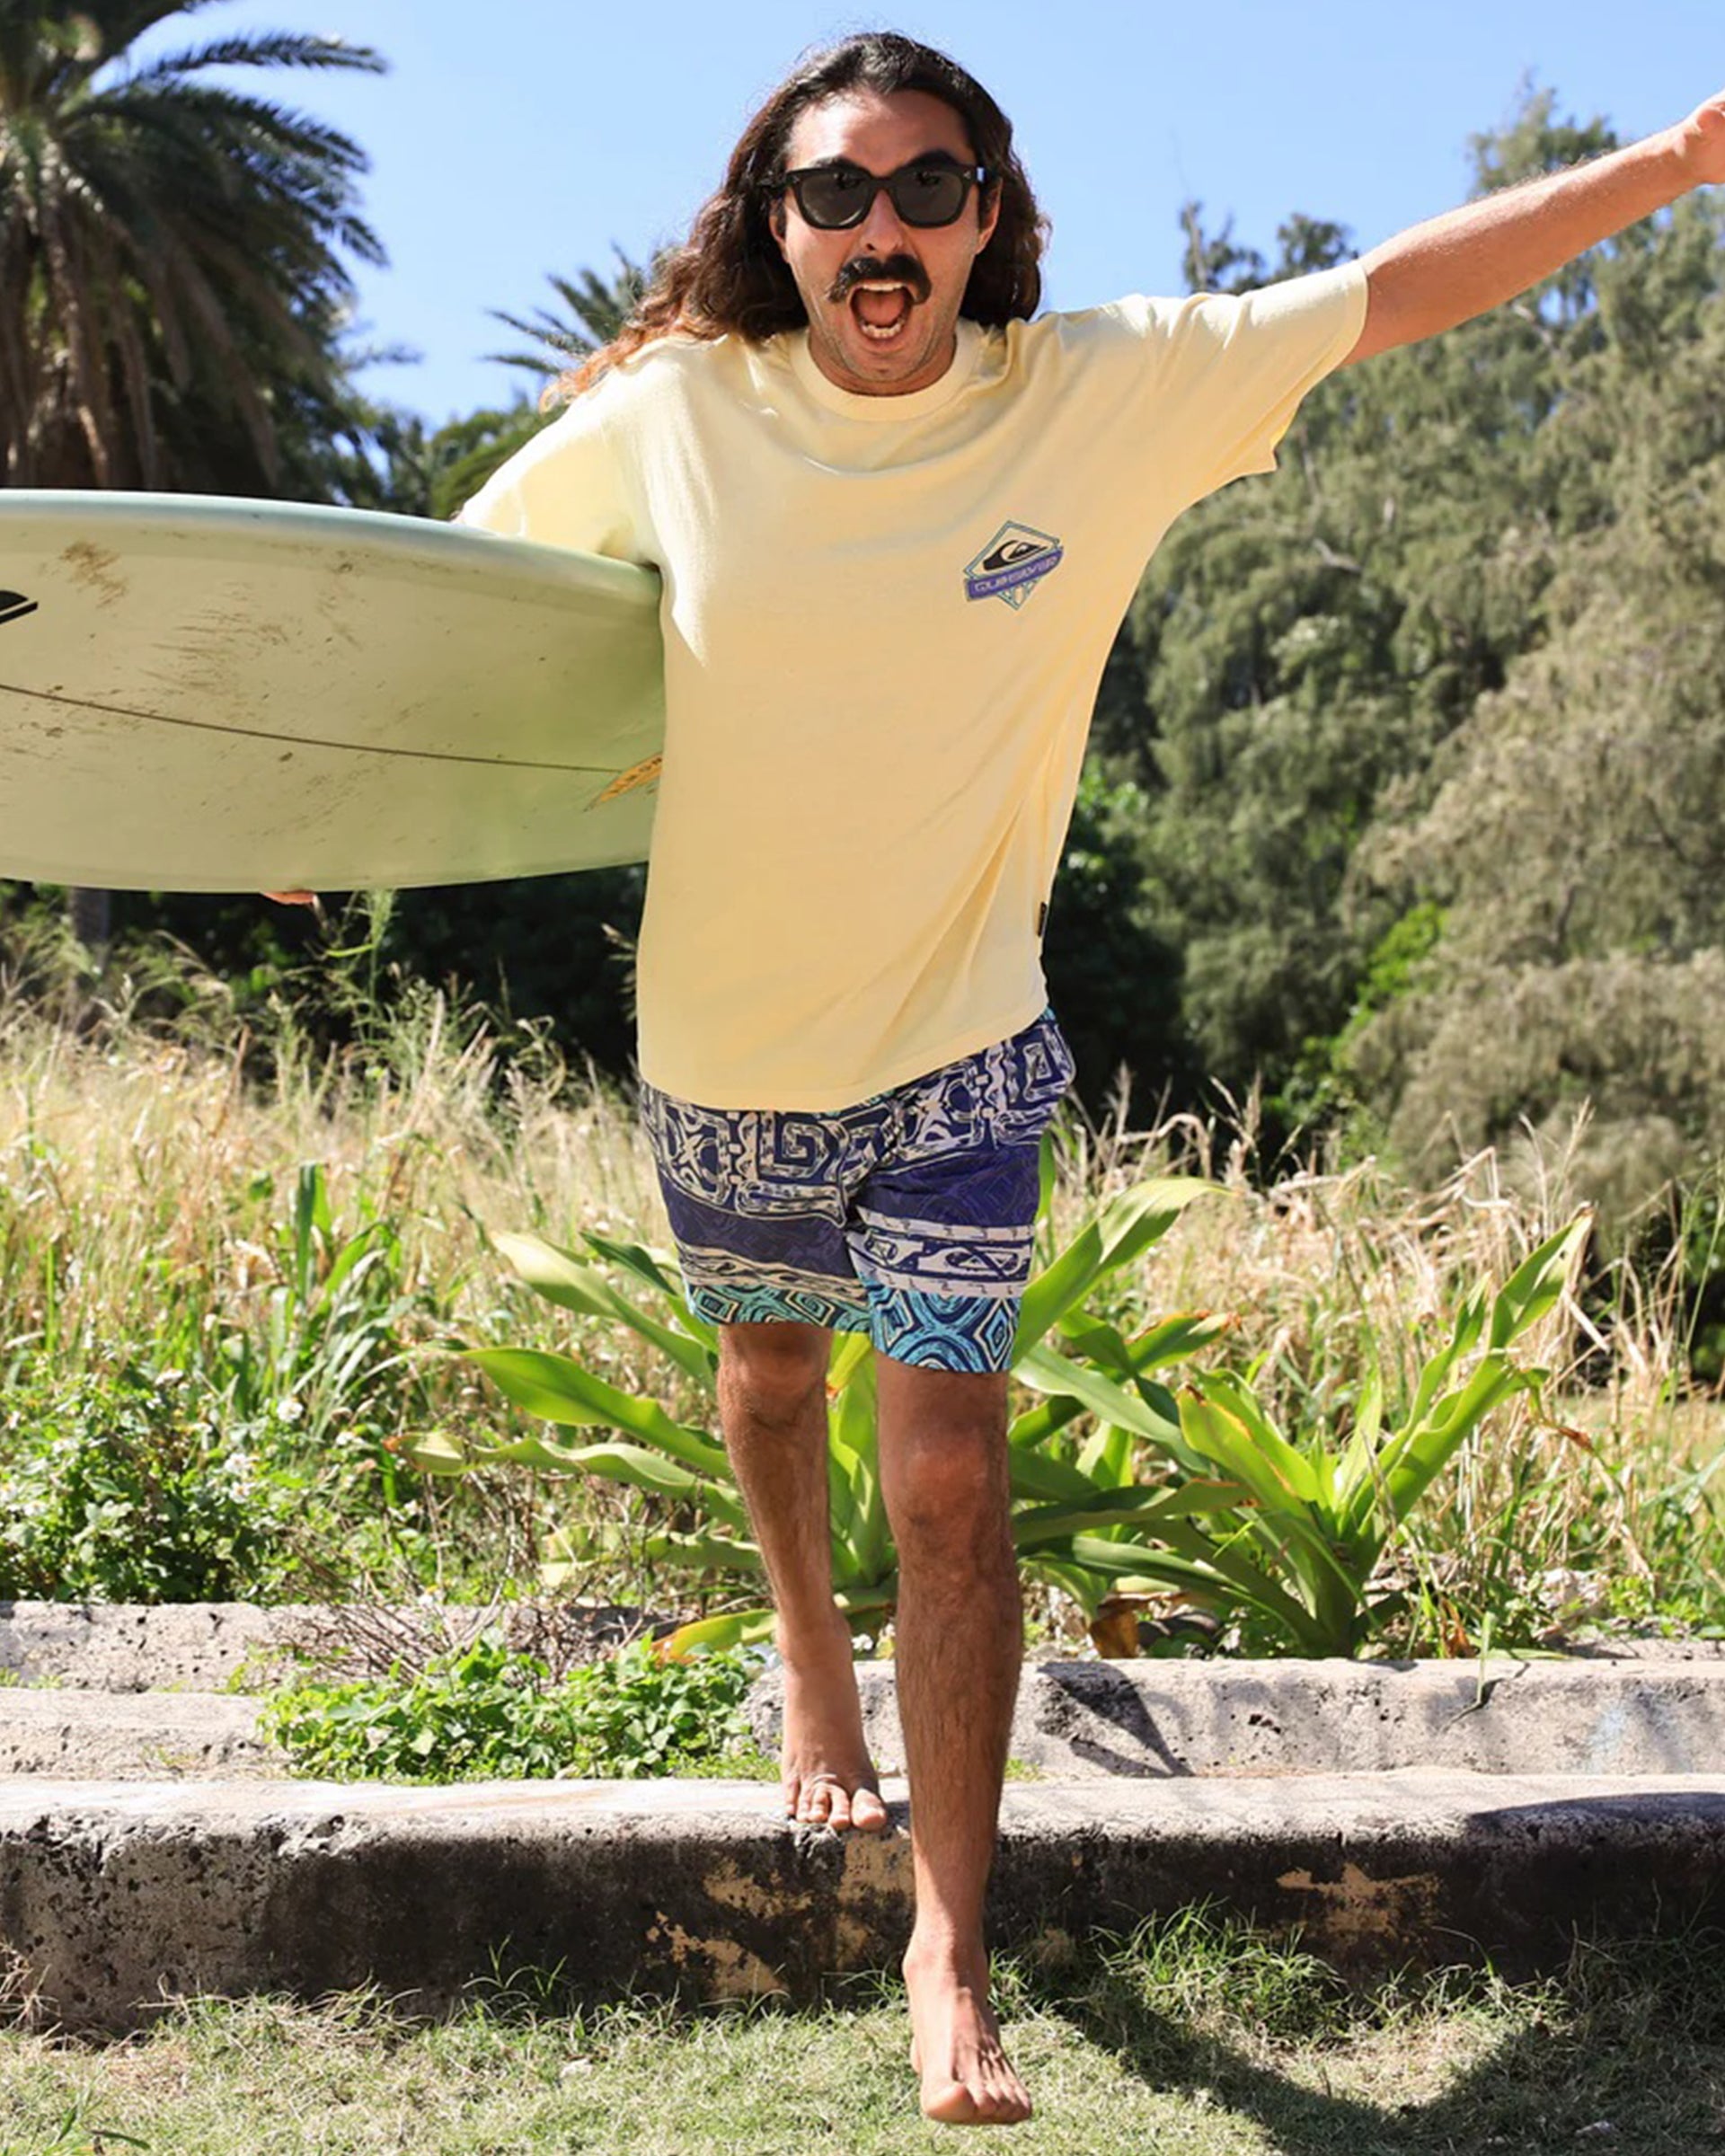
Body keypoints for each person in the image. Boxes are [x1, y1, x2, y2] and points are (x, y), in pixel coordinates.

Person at [297, 33, 1725, 2126]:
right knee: (768, 1377)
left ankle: (947, 1948)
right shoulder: (672, 416)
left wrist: (1675, 159)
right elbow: (456, 619)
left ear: (990, 214)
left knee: (952, 1480)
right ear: (777, 226)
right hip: (731, 1053)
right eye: (836, 194)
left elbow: (1398, 291)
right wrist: (314, 789)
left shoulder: (1100, 394)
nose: (881, 231)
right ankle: (811, 1657)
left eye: (927, 188)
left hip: (966, 1050)